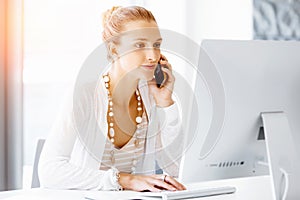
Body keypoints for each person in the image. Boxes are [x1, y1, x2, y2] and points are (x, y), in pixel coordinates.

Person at [38, 5, 185, 192]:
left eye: (156, 45)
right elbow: (49, 171)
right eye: (140, 45)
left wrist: (166, 104)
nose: (152, 56)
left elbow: (175, 168)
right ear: (114, 50)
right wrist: (124, 180)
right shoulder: (85, 93)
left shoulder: (149, 95)